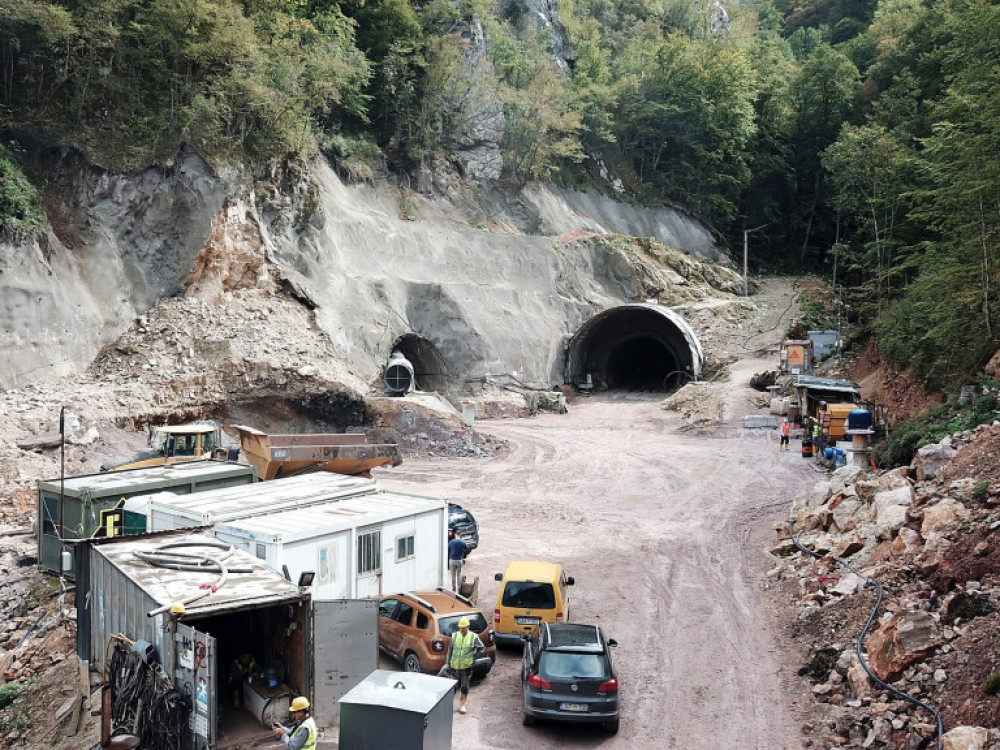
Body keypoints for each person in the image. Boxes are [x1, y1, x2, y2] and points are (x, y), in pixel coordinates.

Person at [444, 617, 484, 714]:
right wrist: (447, 663)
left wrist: (473, 659)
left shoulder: (473, 636)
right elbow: (450, 651)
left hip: (466, 667)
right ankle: (448, 705)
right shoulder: (454, 636)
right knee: (452, 687)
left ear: (468, 627)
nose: (462, 629)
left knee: (464, 687)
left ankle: (462, 705)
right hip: (454, 666)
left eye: (464, 628)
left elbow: (481, 648)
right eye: (461, 627)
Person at [447, 528, 469, 593]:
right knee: (459, 574)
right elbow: (466, 549)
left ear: (455, 534)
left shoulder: (451, 542)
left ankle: (453, 589)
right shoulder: (463, 542)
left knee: (453, 575)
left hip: (452, 560)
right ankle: (459, 589)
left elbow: (448, 549)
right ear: (460, 535)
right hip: (459, 560)